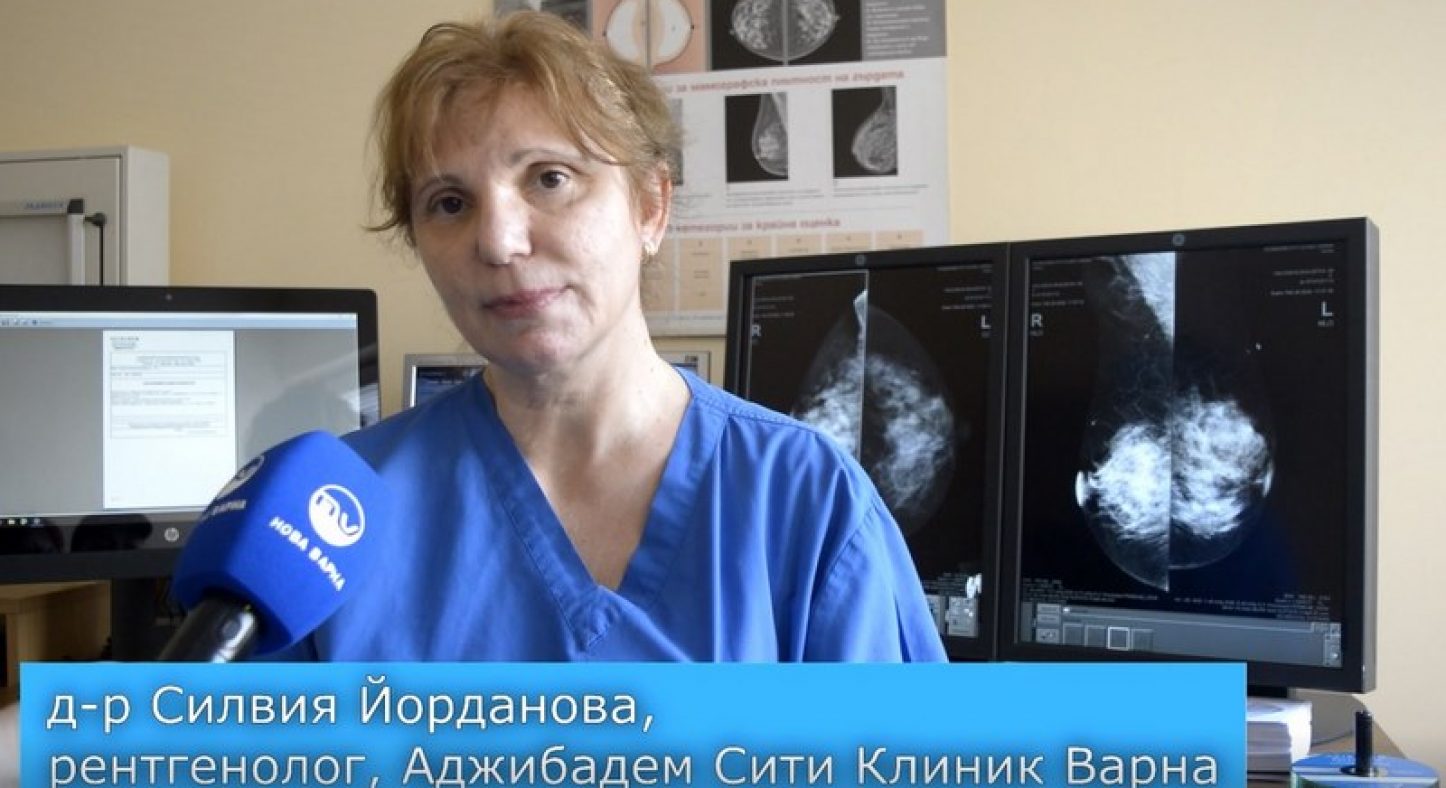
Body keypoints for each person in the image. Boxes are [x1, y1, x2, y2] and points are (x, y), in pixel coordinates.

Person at [266, 10, 945, 662]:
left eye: (550, 179)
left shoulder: (805, 499)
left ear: (650, 206)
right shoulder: (331, 517)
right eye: (449, 203)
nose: (498, 242)